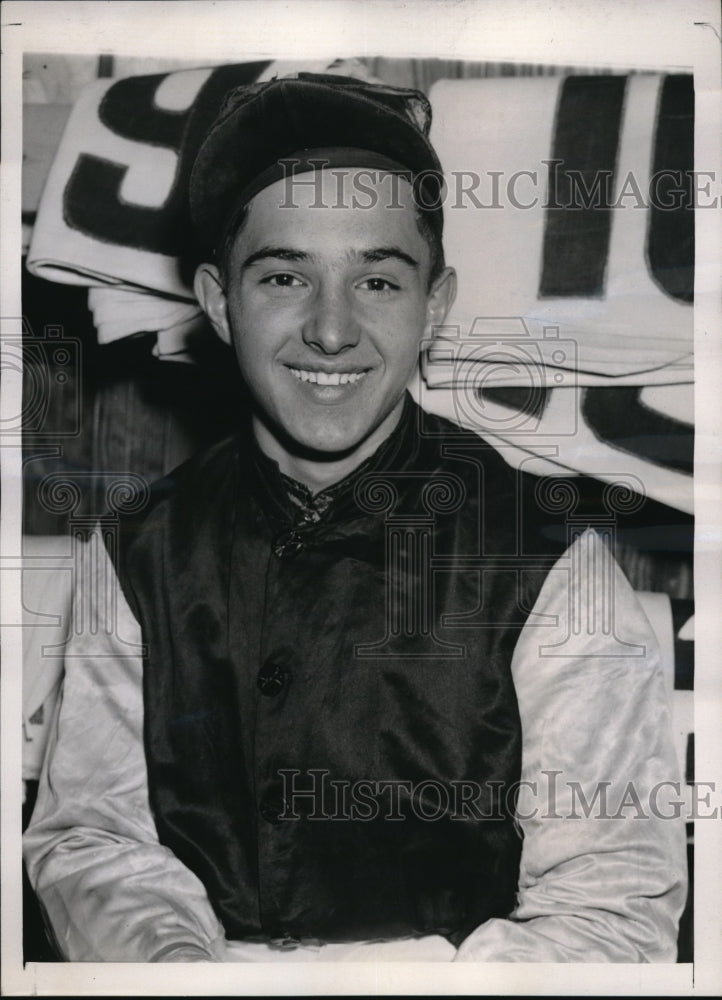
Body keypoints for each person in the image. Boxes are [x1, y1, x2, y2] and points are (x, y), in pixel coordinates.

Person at [23, 73, 687, 963]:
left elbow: (609, 907)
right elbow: (95, 846)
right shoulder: (138, 548)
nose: (331, 331)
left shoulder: (550, 555)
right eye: (286, 275)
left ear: (434, 307)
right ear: (220, 302)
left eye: (377, 280)